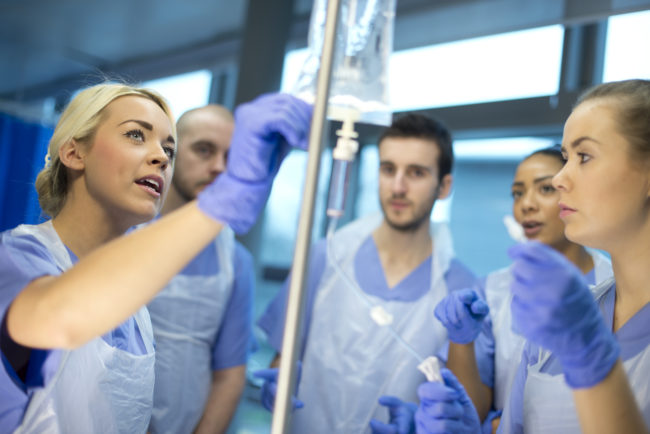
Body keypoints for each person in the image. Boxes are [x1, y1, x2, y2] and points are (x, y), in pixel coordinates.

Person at [0, 83, 312, 432]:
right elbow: (55, 316)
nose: (162, 158)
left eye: (169, 149)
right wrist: (223, 200)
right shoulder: (16, 257)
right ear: (74, 153)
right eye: (136, 134)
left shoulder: (136, 315)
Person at [414, 79, 650, 434]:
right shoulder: (561, 323)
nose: (559, 179)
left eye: (584, 157)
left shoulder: (572, 325)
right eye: (566, 158)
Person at [256, 113, 477, 433]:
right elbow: (283, 360)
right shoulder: (326, 257)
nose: (398, 187)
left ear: (444, 186)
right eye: (388, 169)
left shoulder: (458, 288)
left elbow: (466, 405)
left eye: (415, 173)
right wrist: (278, 390)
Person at [433, 146, 613, 433]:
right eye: (518, 193)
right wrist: (461, 342)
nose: (526, 204)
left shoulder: (618, 285)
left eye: (545, 188)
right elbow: (471, 412)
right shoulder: (491, 292)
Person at [147, 105, 255, 434]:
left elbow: (229, 376)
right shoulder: (122, 235)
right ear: (171, 152)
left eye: (230, 157)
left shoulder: (234, 260)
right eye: (204, 150)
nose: (219, 167)